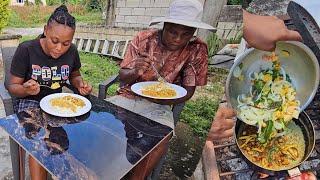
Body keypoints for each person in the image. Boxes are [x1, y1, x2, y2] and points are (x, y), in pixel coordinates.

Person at [6, 5, 92, 180]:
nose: (60, 48)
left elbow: (75, 75)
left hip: (58, 103)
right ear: (45, 30)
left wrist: (80, 84)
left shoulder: (73, 51)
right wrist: (25, 88)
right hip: (29, 101)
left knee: (77, 135)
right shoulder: (27, 50)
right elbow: (11, 86)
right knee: (38, 141)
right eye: (55, 41)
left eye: (66, 43)